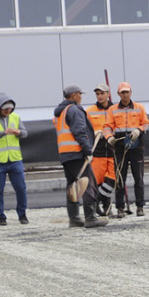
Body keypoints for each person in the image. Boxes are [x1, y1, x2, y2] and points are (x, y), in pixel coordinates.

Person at [53, 84, 107, 228]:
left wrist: (91, 134)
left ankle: (74, 218)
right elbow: (79, 131)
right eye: (80, 94)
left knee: (73, 185)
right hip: (76, 153)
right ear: (74, 95)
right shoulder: (74, 109)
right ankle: (90, 218)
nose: (81, 97)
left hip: (65, 154)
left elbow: (69, 131)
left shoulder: (61, 112)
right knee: (88, 183)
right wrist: (88, 150)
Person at [104, 82, 149, 218]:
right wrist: (109, 137)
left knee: (138, 178)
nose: (125, 94)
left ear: (131, 92)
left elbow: (146, 124)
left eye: (127, 92)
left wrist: (139, 130)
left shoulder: (139, 108)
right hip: (119, 147)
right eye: (122, 92)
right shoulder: (112, 110)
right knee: (119, 178)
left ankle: (140, 206)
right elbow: (107, 127)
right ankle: (120, 208)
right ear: (119, 94)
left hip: (137, 146)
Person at [0, 94, 29, 225]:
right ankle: (1, 217)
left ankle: (22, 214)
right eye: (5, 109)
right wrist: (3, 132)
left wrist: (18, 132)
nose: (8, 111)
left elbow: (25, 133)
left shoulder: (15, 117)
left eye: (10, 109)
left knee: (21, 188)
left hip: (15, 159)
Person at [86, 84, 117, 216]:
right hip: (97, 152)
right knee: (98, 181)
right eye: (97, 94)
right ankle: (106, 208)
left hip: (113, 151)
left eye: (102, 93)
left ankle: (97, 202)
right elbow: (85, 130)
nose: (99, 96)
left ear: (108, 94)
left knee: (111, 180)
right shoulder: (90, 111)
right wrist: (94, 133)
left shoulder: (115, 109)